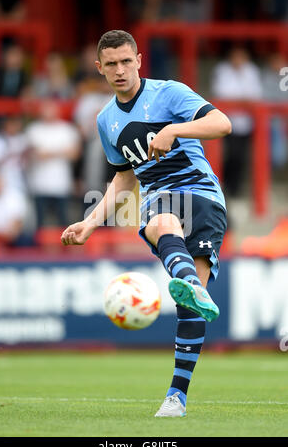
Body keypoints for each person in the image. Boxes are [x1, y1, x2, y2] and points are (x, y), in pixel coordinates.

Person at [61, 30, 232, 417]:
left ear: (139, 59)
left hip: (202, 194)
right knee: (162, 221)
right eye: (111, 65)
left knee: (192, 309)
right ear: (99, 68)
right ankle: (188, 286)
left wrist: (174, 129)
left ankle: (177, 394)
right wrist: (90, 224)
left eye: (126, 61)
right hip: (160, 199)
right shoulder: (106, 121)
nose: (120, 70)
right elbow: (124, 177)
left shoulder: (169, 93)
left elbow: (222, 124)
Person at [211, 46, 262, 198]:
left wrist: (241, 99)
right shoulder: (222, 70)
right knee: (229, 155)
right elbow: (221, 93)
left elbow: (256, 94)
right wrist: (243, 100)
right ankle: (223, 184)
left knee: (240, 156)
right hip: (225, 120)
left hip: (246, 122)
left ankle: (235, 189)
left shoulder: (251, 70)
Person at [26, 100, 81, 228]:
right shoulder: (34, 129)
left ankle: (64, 247)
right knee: (40, 223)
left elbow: (74, 154)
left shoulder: (67, 129)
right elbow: (35, 154)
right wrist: (61, 151)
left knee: (63, 221)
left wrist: (48, 153)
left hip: (61, 184)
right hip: (39, 184)